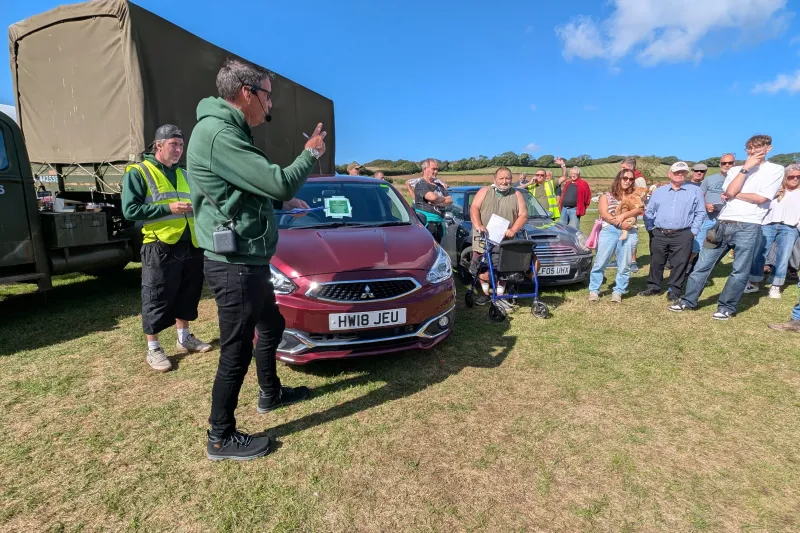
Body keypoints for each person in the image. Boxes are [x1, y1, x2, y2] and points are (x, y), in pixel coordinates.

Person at [187, 58, 327, 461]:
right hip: (235, 265)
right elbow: (276, 178)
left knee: (272, 323)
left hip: (249, 257)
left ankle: (270, 393)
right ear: (247, 93)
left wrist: (281, 197)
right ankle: (220, 437)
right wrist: (308, 154)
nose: (270, 104)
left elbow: (245, 189)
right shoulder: (218, 133)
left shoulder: (227, 130)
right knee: (235, 348)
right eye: (267, 95)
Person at [122, 124, 211, 373]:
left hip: (191, 242)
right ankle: (154, 350)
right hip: (159, 244)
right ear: (158, 145)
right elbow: (130, 210)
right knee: (156, 295)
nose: (179, 150)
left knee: (187, 292)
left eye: (181, 145)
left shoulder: (184, 174)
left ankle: (184, 338)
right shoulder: (139, 172)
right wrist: (168, 209)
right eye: (174, 144)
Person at [670, 135, 784, 320]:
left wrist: (735, 194)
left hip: (749, 225)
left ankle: (726, 307)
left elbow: (762, 198)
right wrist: (745, 169)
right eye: (749, 148)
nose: (753, 151)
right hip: (722, 223)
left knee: (739, 270)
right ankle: (687, 300)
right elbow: (730, 191)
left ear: (768, 148)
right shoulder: (737, 170)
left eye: (757, 148)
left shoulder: (775, 170)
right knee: (702, 265)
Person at [638, 162, 706, 301]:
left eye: (683, 172)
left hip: (683, 233)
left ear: (686, 174)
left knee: (680, 263)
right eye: (677, 172)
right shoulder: (659, 191)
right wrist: (650, 228)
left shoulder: (694, 191)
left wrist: (693, 232)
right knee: (657, 261)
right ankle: (653, 286)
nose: (680, 175)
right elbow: (649, 211)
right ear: (670, 174)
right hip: (659, 232)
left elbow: (700, 212)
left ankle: (674, 290)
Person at [469, 167, 529, 306]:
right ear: (495, 179)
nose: (504, 181)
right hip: (483, 237)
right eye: (501, 178)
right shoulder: (484, 191)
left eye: (507, 178)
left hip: (506, 240)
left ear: (511, 179)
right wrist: (478, 225)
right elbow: (474, 208)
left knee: (504, 269)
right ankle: (485, 294)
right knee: (482, 268)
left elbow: (523, 215)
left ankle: (500, 295)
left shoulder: (517, 194)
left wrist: (513, 229)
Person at [743, 164, 800, 299]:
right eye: (792, 176)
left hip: (790, 227)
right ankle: (753, 281)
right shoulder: (775, 189)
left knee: (783, 256)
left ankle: (776, 284)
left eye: (798, 176)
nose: (795, 179)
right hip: (768, 224)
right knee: (760, 254)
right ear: (785, 177)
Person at [587, 169, 644, 302]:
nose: (628, 181)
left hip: (630, 231)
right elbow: (604, 214)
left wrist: (624, 215)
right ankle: (594, 290)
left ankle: (618, 291)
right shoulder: (606, 196)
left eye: (631, 179)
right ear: (619, 179)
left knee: (625, 264)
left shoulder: (635, 196)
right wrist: (619, 224)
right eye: (625, 178)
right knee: (600, 262)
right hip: (609, 231)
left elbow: (640, 209)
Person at [413, 158, 452, 242]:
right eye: (433, 169)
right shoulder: (421, 184)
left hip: (439, 223)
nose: (436, 172)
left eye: (437, 169)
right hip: (427, 224)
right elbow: (431, 197)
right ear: (425, 169)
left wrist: (439, 201)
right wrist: (442, 199)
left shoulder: (439, 185)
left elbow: (450, 200)